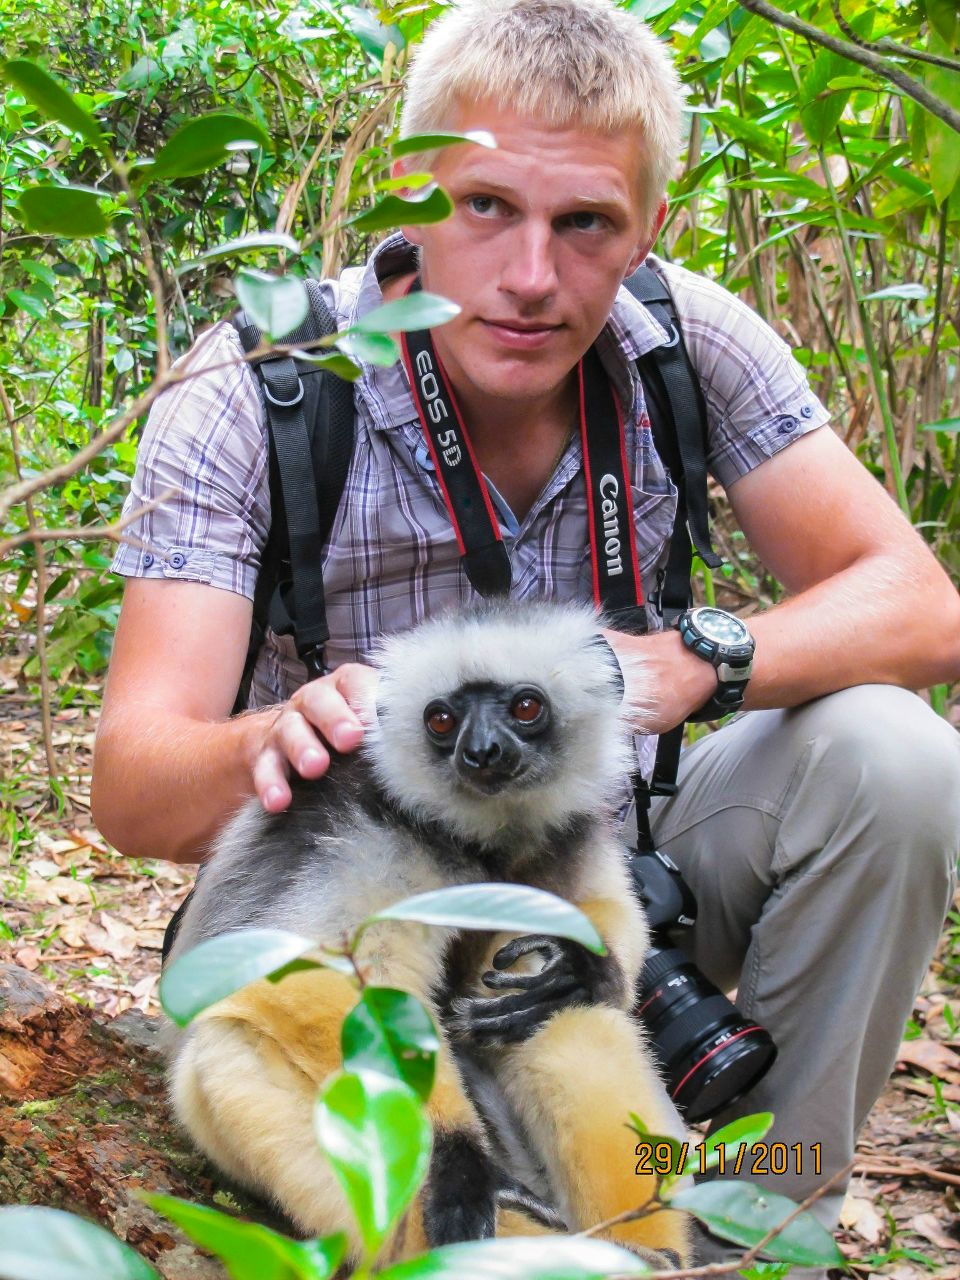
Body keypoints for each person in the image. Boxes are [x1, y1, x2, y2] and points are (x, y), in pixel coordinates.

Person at [92, 0, 960, 1265]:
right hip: (335, 906)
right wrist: (280, 734)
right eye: (486, 206)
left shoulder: (688, 339)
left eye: (586, 223)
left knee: (899, 757)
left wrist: (694, 664)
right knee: (348, 1073)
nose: (533, 276)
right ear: (411, 193)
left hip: (598, 869)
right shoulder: (256, 391)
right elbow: (130, 786)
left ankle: (747, 1240)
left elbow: (926, 607)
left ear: (648, 226)